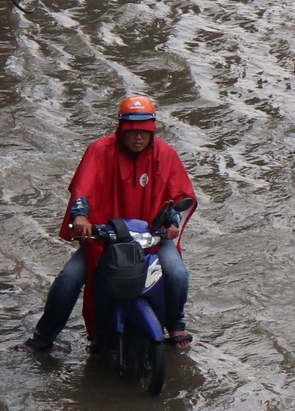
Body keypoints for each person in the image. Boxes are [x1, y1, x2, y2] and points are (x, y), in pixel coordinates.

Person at [27, 96, 198, 353]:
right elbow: (82, 192)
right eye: (132, 131)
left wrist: (172, 223)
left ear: (152, 130)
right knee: (68, 280)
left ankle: (176, 324)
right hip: (108, 239)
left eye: (144, 132)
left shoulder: (166, 155)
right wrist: (80, 217)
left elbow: (179, 197)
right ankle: (42, 338)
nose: (138, 138)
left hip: (151, 239)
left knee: (178, 273)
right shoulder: (99, 151)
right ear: (121, 128)